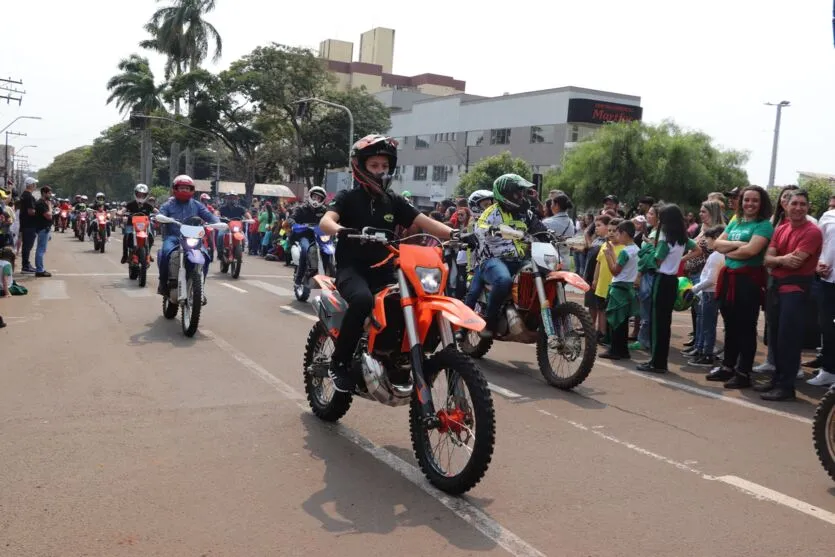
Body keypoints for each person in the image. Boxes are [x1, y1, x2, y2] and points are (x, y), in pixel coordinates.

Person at [319, 134, 455, 392]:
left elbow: (426, 222)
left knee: (415, 301)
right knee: (361, 301)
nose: (381, 171)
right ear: (360, 167)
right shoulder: (348, 197)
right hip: (353, 270)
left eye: (384, 166)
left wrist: (455, 234)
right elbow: (326, 220)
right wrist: (340, 229)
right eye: (374, 166)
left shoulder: (393, 200)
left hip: (387, 269)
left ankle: (398, 356)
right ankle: (339, 363)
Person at [708, 185, 774, 388]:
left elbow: (751, 252)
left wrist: (731, 250)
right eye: (746, 200)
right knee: (730, 326)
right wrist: (740, 246)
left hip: (748, 282)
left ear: (761, 203)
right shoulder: (736, 222)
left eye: (755, 200)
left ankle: (743, 372)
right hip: (729, 279)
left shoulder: (763, 226)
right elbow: (715, 245)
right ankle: (728, 367)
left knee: (746, 327)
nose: (750, 204)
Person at [760, 190, 822, 401]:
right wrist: (782, 259)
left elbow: (798, 261)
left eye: (802, 204)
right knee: (775, 338)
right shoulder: (782, 228)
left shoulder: (812, 232)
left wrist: (777, 259)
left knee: (789, 340)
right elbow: (767, 259)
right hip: (777, 289)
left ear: (808, 207)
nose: (798, 208)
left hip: (796, 291)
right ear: (786, 206)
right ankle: (777, 380)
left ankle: (786, 386)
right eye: (794, 203)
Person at [473, 174, 547, 339]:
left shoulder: (526, 214)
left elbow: (540, 228)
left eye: (522, 193)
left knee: (545, 274)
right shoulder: (491, 212)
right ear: (505, 194)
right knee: (503, 280)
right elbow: (480, 227)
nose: (521, 197)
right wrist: (493, 229)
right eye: (517, 193)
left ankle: (534, 317)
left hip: (520, 259)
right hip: (494, 259)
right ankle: (489, 322)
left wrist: (548, 235)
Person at [637, 204, 697, 373]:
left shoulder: (664, 237)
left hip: (661, 280)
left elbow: (657, 260)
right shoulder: (682, 237)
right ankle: (659, 361)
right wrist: (680, 260)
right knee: (665, 323)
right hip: (672, 281)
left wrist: (649, 250)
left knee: (657, 323)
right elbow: (697, 249)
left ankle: (657, 362)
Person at [156, 175, 219, 295]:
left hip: (193, 238)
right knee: (165, 253)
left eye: (186, 188)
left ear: (191, 190)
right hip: (174, 237)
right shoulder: (168, 204)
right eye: (181, 188)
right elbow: (161, 214)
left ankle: (200, 288)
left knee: (206, 256)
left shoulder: (197, 205)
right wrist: (161, 218)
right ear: (175, 189)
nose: (184, 190)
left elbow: (209, 216)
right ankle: (163, 283)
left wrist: (218, 222)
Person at [600, 220, 639, 360]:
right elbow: (622, 266)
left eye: (618, 233)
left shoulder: (625, 252)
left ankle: (615, 350)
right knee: (623, 322)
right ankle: (622, 350)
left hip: (619, 288)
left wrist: (608, 255)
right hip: (628, 287)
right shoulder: (636, 249)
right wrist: (612, 253)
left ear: (624, 234)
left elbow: (615, 270)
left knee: (615, 321)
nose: (616, 236)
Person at [687, 225, 725, 367]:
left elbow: (710, 279)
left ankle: (707, 355)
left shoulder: (716, 256)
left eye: (708, 239)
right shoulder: (717, 255)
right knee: (707, 324)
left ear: (716, 239)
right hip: (709, 292)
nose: (706, 243)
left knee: (708, 325)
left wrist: (694, 289)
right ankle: (705, 352)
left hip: (710, 293)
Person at [809, 208, 835, 386]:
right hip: (828, 281)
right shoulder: (828, 217)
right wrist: (817, 265)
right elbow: (819, 245)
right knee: (827, 327)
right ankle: (828, 370)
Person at [289, 186, 328, 288]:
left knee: (330, 249)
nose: (316, 200)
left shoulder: (324, 210)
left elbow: (332, 220)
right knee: (305, 249)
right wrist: (295, 224)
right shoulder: (301, 208)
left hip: (320, 236)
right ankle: (299, 278)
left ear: (322, 200)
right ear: (310, 196)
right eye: (315, 197)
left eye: (319, 198)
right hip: (304, 236)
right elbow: (291, 219)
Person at [462, 189, 494, 309]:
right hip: (480, 266)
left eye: (491, 204)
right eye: (486, 205)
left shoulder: (498, 220)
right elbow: (471, 251)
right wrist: (471, 271)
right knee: (473, 293)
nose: (490, 207)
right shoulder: (474, 225)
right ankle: (465, 325)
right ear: (475, 207)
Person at [121, 184, 158, 264]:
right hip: (131, 225)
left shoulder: (148, 205)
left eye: (143, 195)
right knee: (126, 236)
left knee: (151, 237)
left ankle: (148, 253)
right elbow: (124, 209)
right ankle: (125, 255)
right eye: (139, 194)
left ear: (146, 195)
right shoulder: (131, 204)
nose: (141, 196)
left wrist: (160, 213)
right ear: (135, 194)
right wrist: (120, 212)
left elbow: (156, 211)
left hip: (144, 226)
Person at [217, 193, 252, 259]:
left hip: (237, 228)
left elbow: (246, 214)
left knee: (243, 237)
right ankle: (220, 253)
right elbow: (217, 212)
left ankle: (241, 249)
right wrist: (216, 215)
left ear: (236, 199)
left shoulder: (240, 208)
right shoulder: (222, 208)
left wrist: (250, 218)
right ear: (226, 199)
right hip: (225, 227)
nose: (232, 200)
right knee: (220, 236)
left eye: (233, 198)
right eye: (230, 198)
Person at [18, 177, 38, 274]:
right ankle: (25, 266)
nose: (35, 186)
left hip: (25, 224)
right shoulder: (29, 196)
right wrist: (40, 212)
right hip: (29, 225)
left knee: (26, 245)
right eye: (35, 184)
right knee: (27, 246)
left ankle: (26, 264)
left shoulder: (24, 195)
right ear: (31, 185)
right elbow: (31, 212)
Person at [33, 185, 54, 277]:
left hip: (45, 228)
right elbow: (48, 215)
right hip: (42, 229)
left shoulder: (43, 202)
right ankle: (40, 270)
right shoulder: (41, 203)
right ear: (44, 193)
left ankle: (40, 269)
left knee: (42, 249)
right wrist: (50, 206)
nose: (50, 195)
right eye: (49, 193)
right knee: (40, 250)